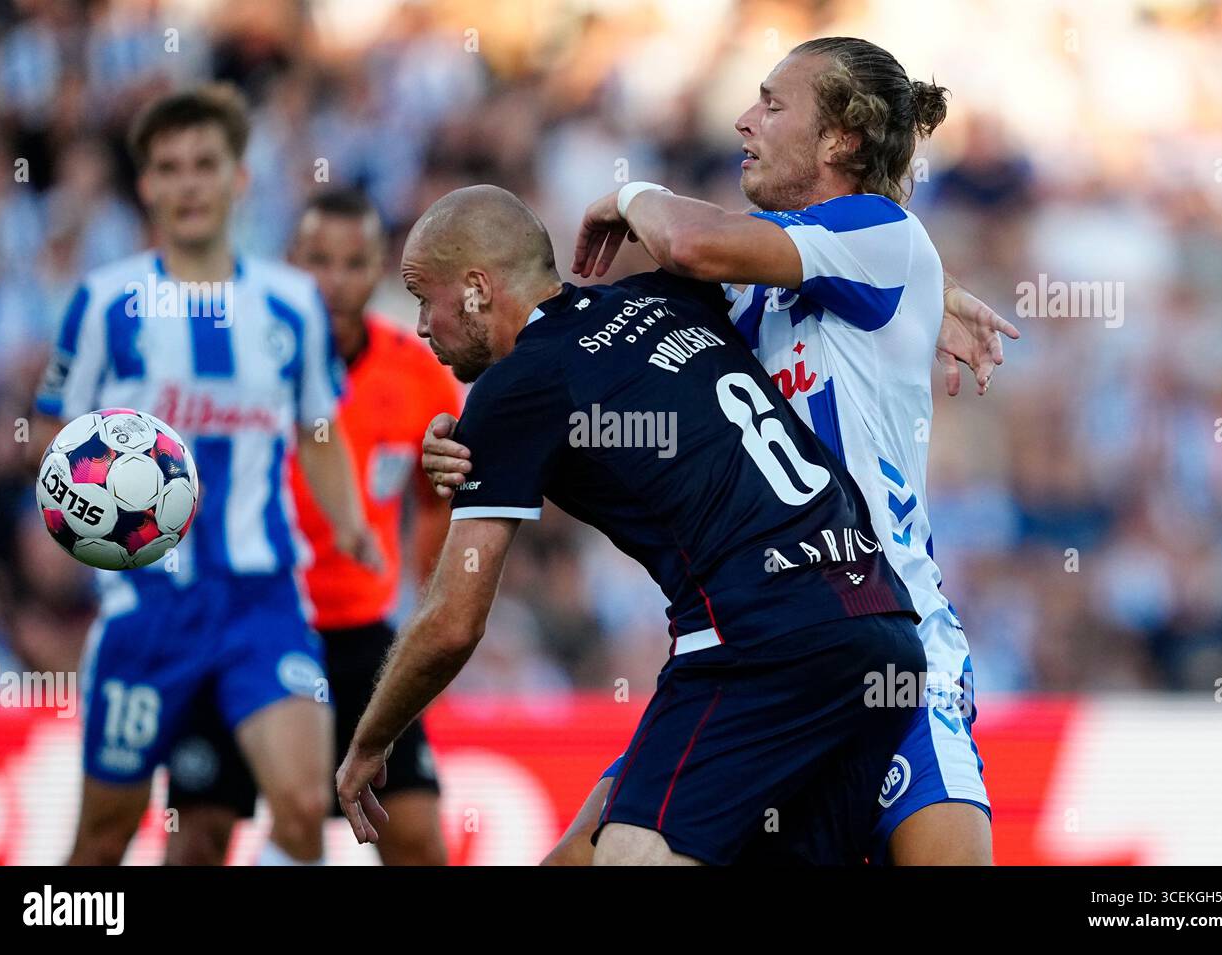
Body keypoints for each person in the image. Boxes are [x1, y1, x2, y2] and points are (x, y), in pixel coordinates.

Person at [423, 37, 1017, 866]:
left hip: (897, 642)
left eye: (772, 104)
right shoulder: (752, 281)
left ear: (840, 138)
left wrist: (630, 192)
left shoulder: (877, 235)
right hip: (767, 647)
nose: (744, 121)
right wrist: (475, 441)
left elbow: (694, 241)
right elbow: (588, 368)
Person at [336, 184, 926, 866]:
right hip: (879, 627)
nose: (420, 325)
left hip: (759, 637)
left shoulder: (519, 385)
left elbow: (453, 622)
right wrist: (936, 302)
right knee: (577, 859)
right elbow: (822, 268)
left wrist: (370, 739)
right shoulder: (666, 296)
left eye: (422, 296)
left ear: (475, 289)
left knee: (626, 857)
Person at [29, 84, 379, 866]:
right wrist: (82, 502)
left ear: (238, 178)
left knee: (302, 809)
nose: (188, 183)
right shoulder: (105, 302)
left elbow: (317, 429)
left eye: (205, 164)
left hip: (263, 597)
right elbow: (49, 432)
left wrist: (351, 522)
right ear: (146, 185)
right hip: (146, 608)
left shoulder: (292, 304)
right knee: (104, 839)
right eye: (169, 167)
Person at [162, 188, 459, 866]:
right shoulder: (232, 363)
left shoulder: (420, 375)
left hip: (358, 635)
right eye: (317, 261)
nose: (334, 281)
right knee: (199, 835)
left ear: (380, 270)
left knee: (416, 838)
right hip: (239, 618)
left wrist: (429, 608)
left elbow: (438, 500)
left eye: (354, 263)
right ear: (289, 262)